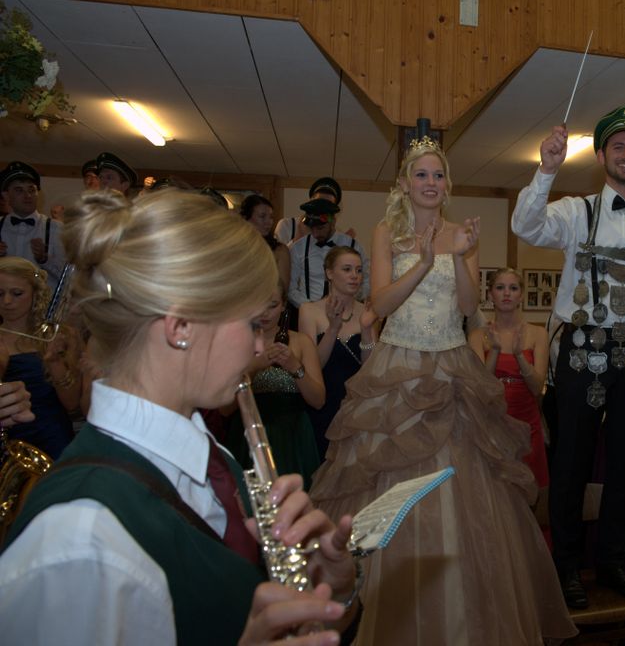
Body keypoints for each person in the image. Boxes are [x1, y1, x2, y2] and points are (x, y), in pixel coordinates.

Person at [0, 190, 360, 644]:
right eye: (251, 324)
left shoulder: (212, 456)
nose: (258, 346)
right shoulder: (79, 538)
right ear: (181, 327)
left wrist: (332, 590)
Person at [309, 136, 575, 644]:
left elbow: (469, 307)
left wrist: (459, 254)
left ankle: (461, 613)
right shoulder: (386, 232)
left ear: (446, 185)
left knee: (464, 487)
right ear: (405, 183)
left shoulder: (461, 234)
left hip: (452, 365)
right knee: (389, 480)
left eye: (438, 175)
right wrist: (426, 260)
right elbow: (381, 304)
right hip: (399, 366)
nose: (430, 183)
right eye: (422, 174)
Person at [511, 106, 625, 609]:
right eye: (618, 146)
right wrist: (546, 170)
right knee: (572, 462)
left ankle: (613, 562)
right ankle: (566, 566)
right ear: (602, 154)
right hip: (581, 353)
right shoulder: (575, 211)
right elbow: (526, 225)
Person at [222, 283, 326, 490]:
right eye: (259, 305)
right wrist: (253, 369)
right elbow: (224, 409)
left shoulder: (301, 342)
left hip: (293, 437)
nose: (266, 313)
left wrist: (295, 367)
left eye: (272, 305)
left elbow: (318, 401)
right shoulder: (237, 342)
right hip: (249, 435)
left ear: (283, 305)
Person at [468, 267, 550, 489]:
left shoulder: (538, 334)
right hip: (492, 422)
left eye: (513, 288)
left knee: (529, 490)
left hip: (527, 421)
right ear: (490, 295)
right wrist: (494, 351)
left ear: (521, 295)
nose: (506, 293)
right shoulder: (477, 336)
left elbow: (537, 387)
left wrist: (519, 355)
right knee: (495, 491)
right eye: (500, 287)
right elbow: (481, 388)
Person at [298, 246, 378, 460]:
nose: (354, 276)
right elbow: (313, 367)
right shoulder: (309, 311)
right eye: (347, 269)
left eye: (359, 270)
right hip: (323, 404)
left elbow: (371, 369)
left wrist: (367, 330)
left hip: (356, 406)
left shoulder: (367, 311)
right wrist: (332, 329)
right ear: (329, 273)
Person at [0, 257, 83, 459]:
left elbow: (73, 406)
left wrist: (54, 363)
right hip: (7, 443)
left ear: (35, 293)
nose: (7, 301)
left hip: (52, 437)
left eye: (17, 293)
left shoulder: (59, 335)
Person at [286, 197, 368, 312]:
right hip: (308, 311)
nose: (315, 233)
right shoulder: (298, 248)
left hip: (345, 311)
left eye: (320, 228)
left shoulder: (353, 245)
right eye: (312, 228)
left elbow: (366, 281)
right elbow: (290, 288)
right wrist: (310, 307)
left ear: (333, 221)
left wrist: (350, 301)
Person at [0, 161, 67, 292]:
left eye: (31, 190)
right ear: (6, 195)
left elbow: (70, 278)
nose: (28, 196)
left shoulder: (56, 229)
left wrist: (45, 259)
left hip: (44, 304)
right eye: (19, 190)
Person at [275, 177, 348, 245]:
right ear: (311, 202)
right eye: (319, 202)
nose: (323, 208)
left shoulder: (336, 234)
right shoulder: (287, 225)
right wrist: (299, 236)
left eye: (329, 205)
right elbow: (275, 254)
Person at [240, 194, 291, 290]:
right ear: (245, 218)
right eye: (262, 216)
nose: (269, 222)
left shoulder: (279, 250)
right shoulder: (235, 247)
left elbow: (283, 289)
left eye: (271, 217)